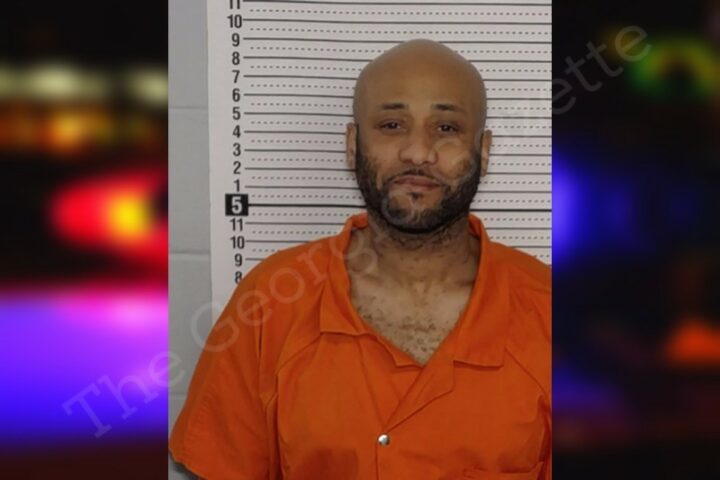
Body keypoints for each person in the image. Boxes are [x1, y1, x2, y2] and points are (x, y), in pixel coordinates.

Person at [170, 38, 551, 479]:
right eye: (392, 125)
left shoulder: (551, 310)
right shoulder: (270, 303)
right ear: (353, 145)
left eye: (446, 127)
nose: (418, 152)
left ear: (483, 151)